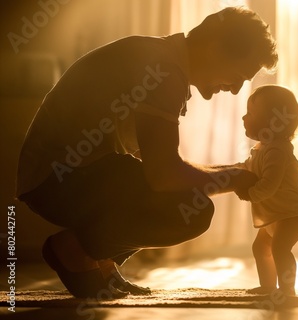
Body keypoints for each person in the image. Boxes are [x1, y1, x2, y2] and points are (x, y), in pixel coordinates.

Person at [16, 7, 278, 299]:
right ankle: (74, 250)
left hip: (60, 175)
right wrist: (234, 179)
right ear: (215, 47)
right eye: (240, 75)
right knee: (191, 212)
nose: (235, 89)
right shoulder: (164, 70)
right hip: (55, 179)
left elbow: (156, 166)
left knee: (175, 193)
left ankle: (102, 261)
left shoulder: (163, 58)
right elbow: (163, 175)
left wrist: (235, 172)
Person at [235, 85, 298, 296]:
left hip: (292, 214)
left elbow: (270, 184)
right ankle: (268, 287)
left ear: (273, 122)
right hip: (275, 215)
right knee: (260, 248)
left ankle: (287, 290)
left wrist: (249, 194)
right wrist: (232, 172)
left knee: (280, 248)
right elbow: (249, 167)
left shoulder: (278, 151)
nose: (244, 117)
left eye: (251, 113)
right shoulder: (262, 148)